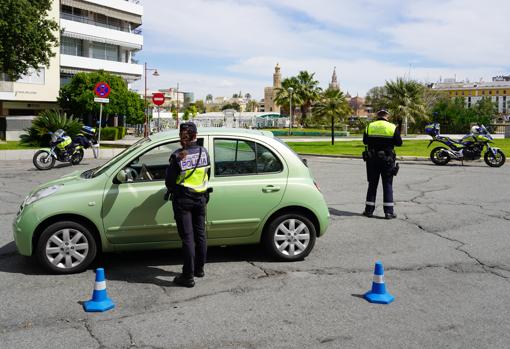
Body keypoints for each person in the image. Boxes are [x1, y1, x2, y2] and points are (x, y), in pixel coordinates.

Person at [165, 122, 210, 287]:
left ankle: (188, 276)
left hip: (183, 200)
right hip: (201, 198)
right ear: (195, 136)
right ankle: (199, 269)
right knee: (200, 235)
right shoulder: (203, 152)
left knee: (188, 239)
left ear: (181, 137)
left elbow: (169, 181)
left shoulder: (178, 156)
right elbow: (207, 174)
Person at [362, 109, 402, 219]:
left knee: (372, 185)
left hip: (372, 159)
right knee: (387, 185)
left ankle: (369, 211)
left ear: (377, 115)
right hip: (387, 160)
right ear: (387, 116)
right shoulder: (392, 127)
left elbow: (365, 141)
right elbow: (399, 143)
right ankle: (388, 212)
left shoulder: (370, 126)